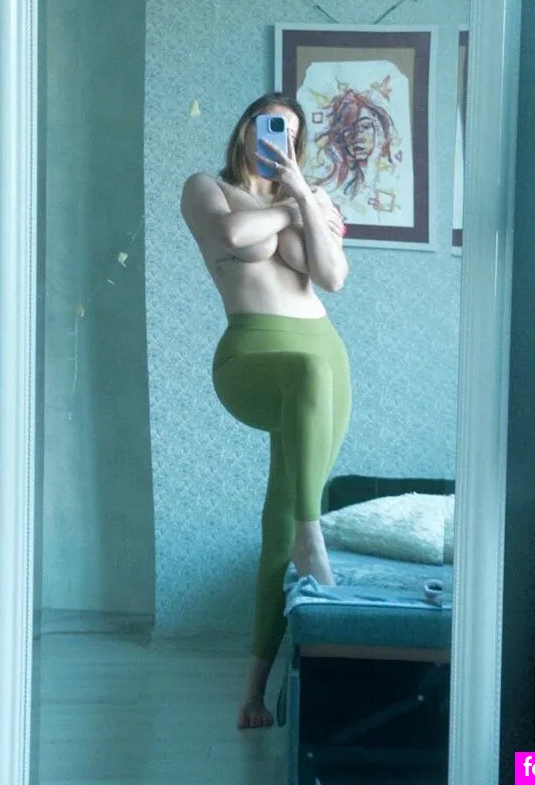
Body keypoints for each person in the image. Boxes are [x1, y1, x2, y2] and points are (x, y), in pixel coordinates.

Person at [180, 91, 352, 730]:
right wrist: (293, 208)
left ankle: (254, 695)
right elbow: (230, 235)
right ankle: (314, 535)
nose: (276, 137)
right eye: (267, 124)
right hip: (253, 353)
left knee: (277, 526)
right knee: (299, 525)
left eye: (289, 132)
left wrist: (301, 195)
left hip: (325, 358)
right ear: (246, 127)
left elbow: (332, 276)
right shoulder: (208, 187)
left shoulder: (303, 197)